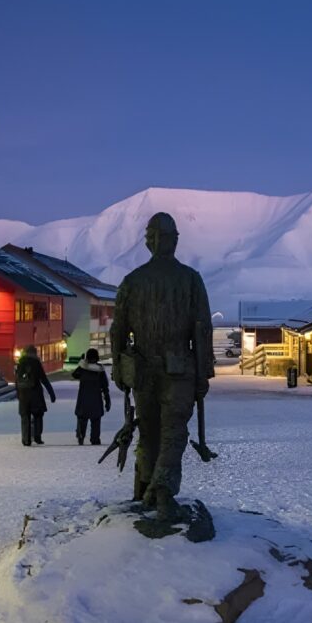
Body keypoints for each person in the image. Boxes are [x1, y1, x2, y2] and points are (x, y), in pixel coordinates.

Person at [110, 212, 214, 521]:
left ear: (150, 242)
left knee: (150, 432)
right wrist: (203, 374)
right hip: (178, 372)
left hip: (144, 372)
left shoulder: (132, 281)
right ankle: (162, 491)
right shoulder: (190, 280)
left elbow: (118, 331)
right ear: (174, 241)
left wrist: (119, 368)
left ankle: (147, 488)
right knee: (173, 433)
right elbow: (202, 330)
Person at [15, 345, 56, 446]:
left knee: (25, 417)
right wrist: (51, 393)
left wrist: (18, 394)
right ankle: (37, 437)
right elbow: (43, 379)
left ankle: (26, 439)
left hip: (23, 394)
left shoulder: (20, 363)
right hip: (35, 393)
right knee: (38, 415)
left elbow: (17, 380)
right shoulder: (36, 363)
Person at [72, 348, 111, 445]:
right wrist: (107, 400)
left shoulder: (83, 368)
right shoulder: (100, 369)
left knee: (82, 419)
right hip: (96, 399)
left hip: (83, 399)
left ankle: (81, 435)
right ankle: (95, 439)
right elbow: (105, 386)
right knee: (96, 420)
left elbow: (74, 375)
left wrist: (81, 363)